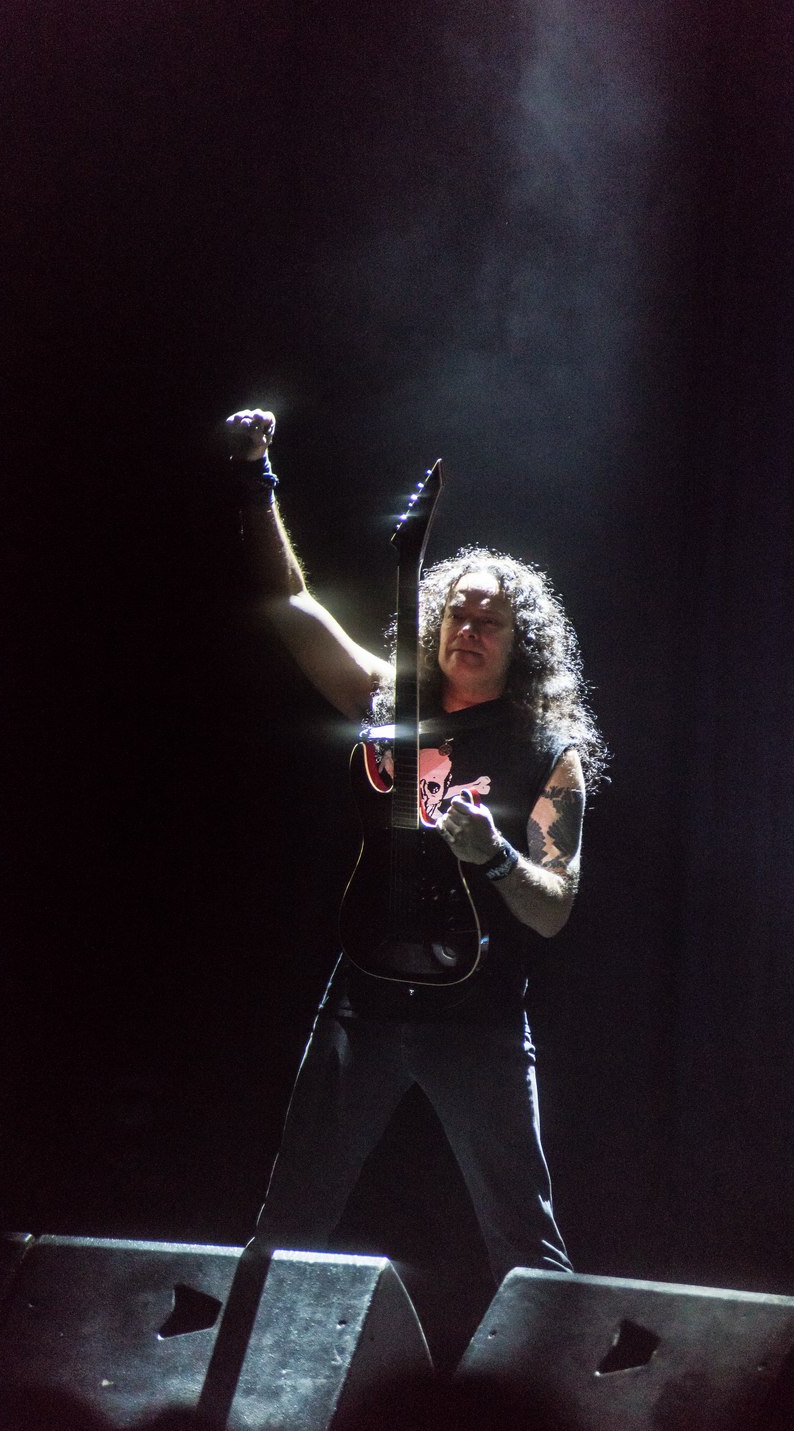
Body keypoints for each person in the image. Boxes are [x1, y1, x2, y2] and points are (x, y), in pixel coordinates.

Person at [225, 407, 606, 1284]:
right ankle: (239, 1365)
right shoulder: (386, 701)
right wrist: (254, 475)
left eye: (490, 621)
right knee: (287, 1223)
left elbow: (554, 909)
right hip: (360, 996)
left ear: (521, 643)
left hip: (474, 1016)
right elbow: (290, 604)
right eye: (458, 613)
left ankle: (541, 1375)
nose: (468, 629)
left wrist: (496, 855)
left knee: (525, 1245)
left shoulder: (547, 752)